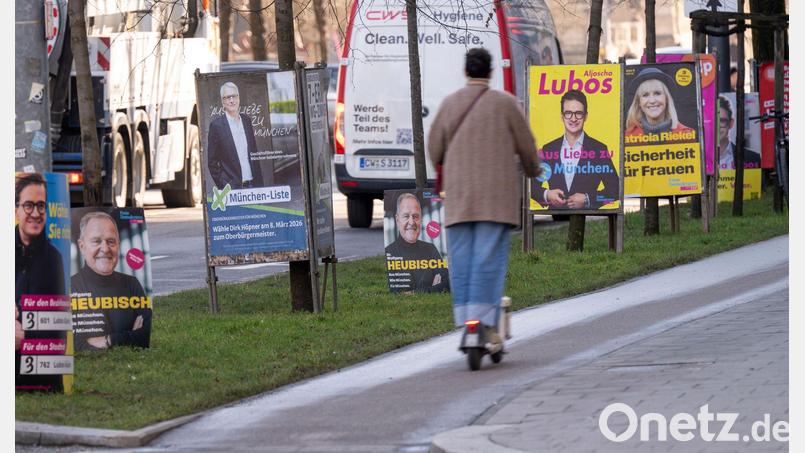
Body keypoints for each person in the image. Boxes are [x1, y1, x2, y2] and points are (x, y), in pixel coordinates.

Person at [428, 48, 540, 343]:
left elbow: (434, 149)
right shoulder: (506, 104)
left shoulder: (450, 104)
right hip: (496, 200)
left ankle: (467, 320)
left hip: (459, 198)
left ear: (466, 71)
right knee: (488, 259)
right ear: (490, 73)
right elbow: (527, 146)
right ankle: (486, 323)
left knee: (462, 259)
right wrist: (532, 169)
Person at [71, 211, 152, 350]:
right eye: (96, 241)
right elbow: (74, 344)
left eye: (111, 241)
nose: (105, 249)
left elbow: (146, 335)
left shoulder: (131, 284)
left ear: (118, 245)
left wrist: (109, 340)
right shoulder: (69, 287)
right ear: (82, 246)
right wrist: (130, 337)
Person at [15, 173, 66, 391]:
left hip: (41, 381)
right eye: (28, 205)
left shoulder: (53, 259)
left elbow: (58, 335)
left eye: (41, 206)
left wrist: (23, 335)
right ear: (15, 209)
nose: (36, 213)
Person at [533, 89, 619, 209]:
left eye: (578, 113)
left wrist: (588, 199)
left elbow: (615, 190)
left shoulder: (599, 149)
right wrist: (547, 194)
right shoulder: (548, 149)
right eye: (568, 113)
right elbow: (531, 187)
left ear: (586, 116)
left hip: (588, 219)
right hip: (556, 221)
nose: (573, 119)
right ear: (562, 116)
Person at [385, 193, 449, 292]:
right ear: (397, 220)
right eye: (406, 216)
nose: (412, 222)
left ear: (421, 219)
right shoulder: (389, 253)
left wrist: (414, 292)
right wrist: (433, 289)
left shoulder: (430, 249)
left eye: (415, 216)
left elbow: (447, 283)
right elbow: (395, 293)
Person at [207, 82, 264, 189]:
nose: (232, 100)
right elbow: (212, 162)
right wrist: (224, 185)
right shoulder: (216, 126)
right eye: (228, 97)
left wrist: (260, 186)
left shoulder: (246, 121)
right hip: (233, 189)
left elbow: (254, 154)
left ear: (239, 98)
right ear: (222, 101)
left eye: (234, 96)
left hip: (253, 186)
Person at [624, 67, 694, 138]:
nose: (652, 101)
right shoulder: (628, 136)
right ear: (639, 102)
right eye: (645, 95)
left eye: (657, 93)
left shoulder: (687, 134)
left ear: (666, 98)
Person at [717, 95, 761, 170]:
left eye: (722, 120)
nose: (717, 126)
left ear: (731, 123)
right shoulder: (698, 159)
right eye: (714, 121)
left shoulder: (752, 158)